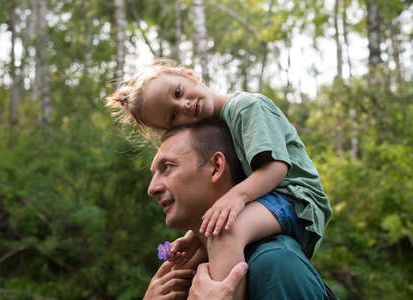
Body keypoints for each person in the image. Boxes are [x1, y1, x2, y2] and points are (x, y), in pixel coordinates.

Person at [106, 61, 333, 299]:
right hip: (273, 199)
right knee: (218, 233)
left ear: (189, 74)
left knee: (225, 230)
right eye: (173, 117)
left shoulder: (247, 107)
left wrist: (237, 196)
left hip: (298, 198)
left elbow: (276, 168)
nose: (183, 105)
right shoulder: (221, 122)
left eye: (178, 92)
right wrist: (194, 237)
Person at [144, 119, 330, 299]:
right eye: (154, 174)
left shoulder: (274, 264)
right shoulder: (185, 277)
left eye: (167, 167)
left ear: (216, 167)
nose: (152, 189)